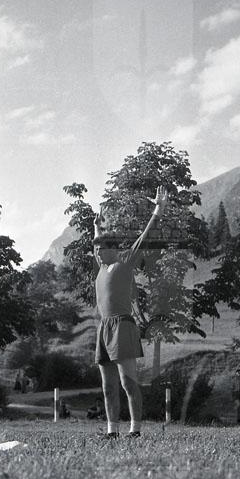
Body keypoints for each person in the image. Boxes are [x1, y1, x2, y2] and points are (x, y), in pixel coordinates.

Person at [93, 185, 168, 439]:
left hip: (122, 326)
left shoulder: (123, 261)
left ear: (112, 249)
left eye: (101, 248)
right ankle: (112, 431)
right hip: (104, 327)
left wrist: (158, 210)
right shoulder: (101, 267)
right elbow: (98, 244)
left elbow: (144, 238)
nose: (97, 251)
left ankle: (135, 430)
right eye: (96, 248)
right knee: (108, 386)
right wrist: (97, 227)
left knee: (128, 382)